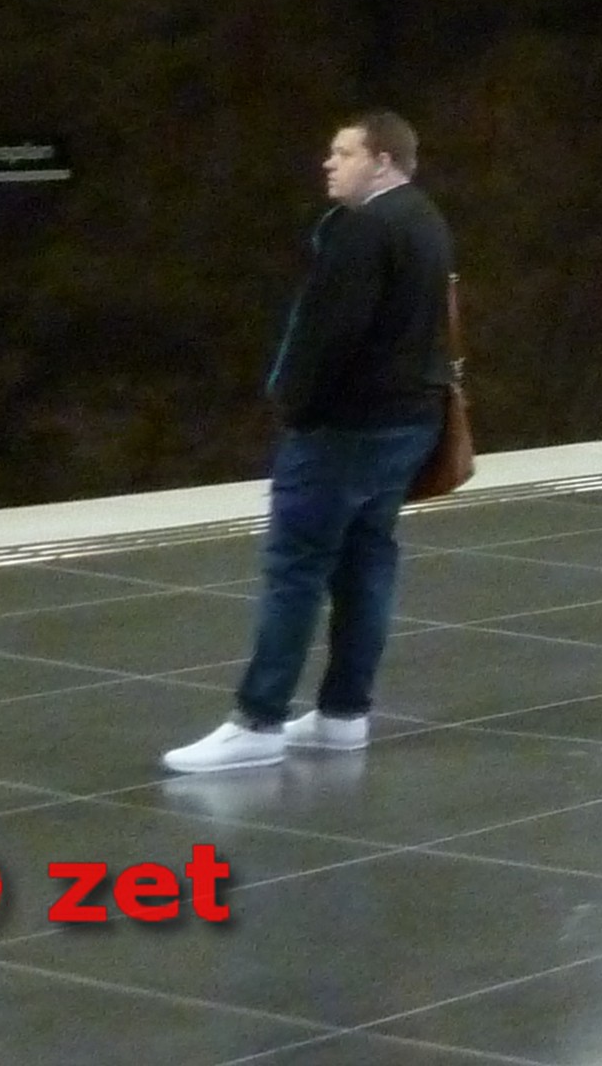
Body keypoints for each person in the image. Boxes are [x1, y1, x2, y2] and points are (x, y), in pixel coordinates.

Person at [165, 113, 455, 771]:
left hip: (343, 430)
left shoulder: (363, 230)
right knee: (367, 564)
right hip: (409, 421)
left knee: (295, 569)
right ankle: (343, 714)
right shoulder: (426, 219)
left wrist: (295, 405)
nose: (329, 163)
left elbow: (328, 333)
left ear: (382, 161)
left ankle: (259, 719)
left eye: (344, 152)